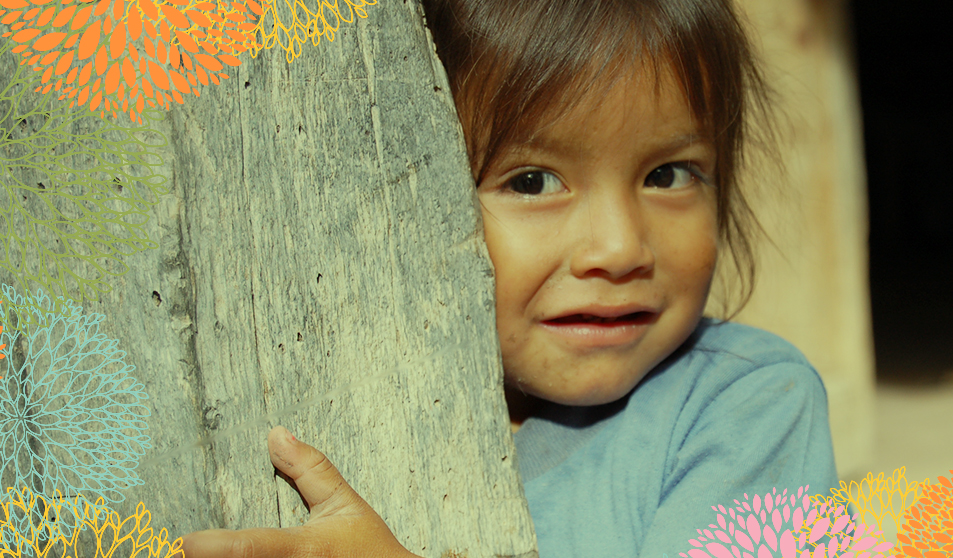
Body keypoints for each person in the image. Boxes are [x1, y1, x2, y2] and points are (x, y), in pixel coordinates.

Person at [180, 1, 839, 557]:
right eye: (532, 181)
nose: (618, 248)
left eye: (668, 174)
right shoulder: (334, 398)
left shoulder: (749, 407)